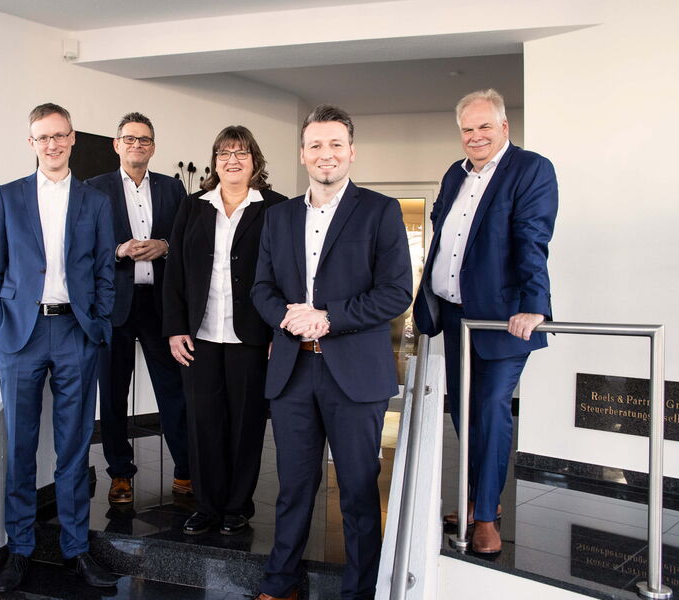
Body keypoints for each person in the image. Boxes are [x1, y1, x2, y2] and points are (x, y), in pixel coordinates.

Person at [251, 105, 412, 600]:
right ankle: (281, 581)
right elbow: (261, 288)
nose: (326, 154)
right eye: (316, 145)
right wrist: (288, 318)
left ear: (351, 152)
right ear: (302, 154)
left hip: (355, 373)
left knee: (359, 492)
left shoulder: (380, 211)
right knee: (294, 487)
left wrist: (327, 317)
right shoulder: (277, 217)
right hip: (293, 370)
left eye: (336, 144)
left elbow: (396, 292)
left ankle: (361, 590)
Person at [412, 88, 558, 555]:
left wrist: (534, 305)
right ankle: (476, 499)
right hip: (456, 314)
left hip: (503, 318)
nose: (475, 136)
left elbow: (532, 237)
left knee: (492, 408)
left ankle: (488, 517)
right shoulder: (454, 174)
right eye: (468, 129)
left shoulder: (530, 168)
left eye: (484, 127)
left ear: (504, 127)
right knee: (464, 412)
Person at [0, 103, 118, 591]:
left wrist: (99, 322)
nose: (53, 144)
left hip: (76, 333)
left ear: (73, 138)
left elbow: (105, 268)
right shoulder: (8, 196)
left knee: (74, 447)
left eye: (60, 135)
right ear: (32, 143)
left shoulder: (95, 201)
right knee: (20, 447)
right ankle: (19, 550)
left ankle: (76, 549)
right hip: (21, 334)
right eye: (43, 137)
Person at [162, 125, 287, 537]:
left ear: (255, 161)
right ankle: (207, 505)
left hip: (252, 336)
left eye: (241, 153)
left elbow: (287, 275)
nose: (232, 160)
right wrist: (175, 328)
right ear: (215, 162)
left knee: (246, 424)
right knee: (203, 424)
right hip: (199, 335)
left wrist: (279, 332)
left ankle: (237, 506)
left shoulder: (275, 208)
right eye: (224, 153)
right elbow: (175, 271)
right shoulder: (193, 206)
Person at [86, 113, 191, 505]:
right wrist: (118, 250)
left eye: (144, 140)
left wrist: (165, 246)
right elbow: (82, 247)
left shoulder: (173, 188)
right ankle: (120, 473)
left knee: (174, 389)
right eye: (129, 139)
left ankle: (186, 469)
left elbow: (187, 240)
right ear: (117, 145)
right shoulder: (94, 189)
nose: (137, 145)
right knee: (113, 394)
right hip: (114, 306)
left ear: (153, 147)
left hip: (160, 305)